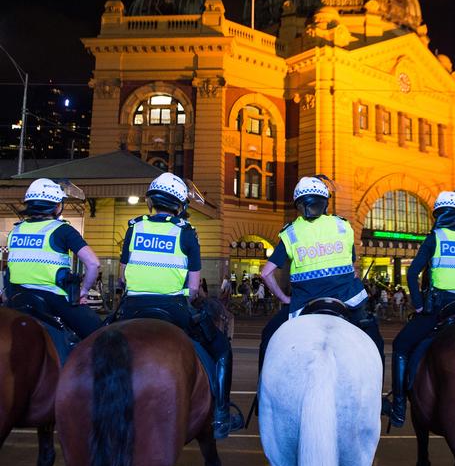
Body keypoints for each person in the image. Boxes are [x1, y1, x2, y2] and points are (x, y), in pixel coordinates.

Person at [119, 172, 242, 439]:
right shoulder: (186, 232)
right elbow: (195, 287)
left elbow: (121, 275)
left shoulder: (134, 227)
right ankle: (221, 415)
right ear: (179, 205)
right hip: (172, 309)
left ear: (151, 201)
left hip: (131, 309)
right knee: (221, 350)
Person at [385, 190, 455, 427]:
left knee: (401, 346)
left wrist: (420, 304)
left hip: (443, 307)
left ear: (439, 215)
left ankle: (400, 407)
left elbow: (412, 274)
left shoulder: (436, 237)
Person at [258, 176, 385, 373]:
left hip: (304, 305)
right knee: (375, 343)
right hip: (348, 302)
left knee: (268, 336)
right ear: (325, 202)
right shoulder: (343, 226)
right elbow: (352, 267)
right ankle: (381, 396)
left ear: (298, 205)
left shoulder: (290, 233)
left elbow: (266, 274)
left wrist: (284, 298)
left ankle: (261, 396)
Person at [3, 178, 102, 337]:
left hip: (18, 298)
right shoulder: (63, 230)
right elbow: (93, 264)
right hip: (53, 299)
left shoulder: (16, 231)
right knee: (99, 334)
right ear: (57, 206)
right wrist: (82, 292)